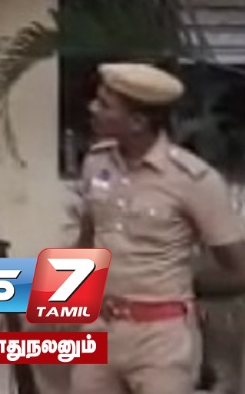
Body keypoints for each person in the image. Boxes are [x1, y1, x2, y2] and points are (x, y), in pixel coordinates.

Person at [69, 62, 245, 394]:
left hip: (161, 338)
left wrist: (182, 287)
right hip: (100, 328)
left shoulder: (194, 180)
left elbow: (239, 270)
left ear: (137, 122)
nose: (92, 108)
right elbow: (89, 238)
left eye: (105, 105)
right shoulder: (96, 162)